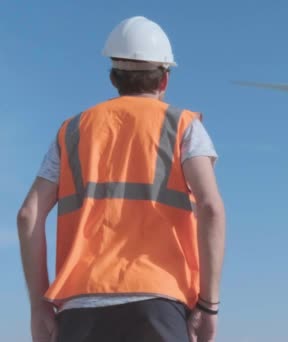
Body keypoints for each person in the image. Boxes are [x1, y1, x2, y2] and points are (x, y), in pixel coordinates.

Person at [17, 16, 226, 342]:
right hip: (159, 302)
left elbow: (28, 215)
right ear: (164, 80)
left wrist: (38, 307)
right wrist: (209, 307)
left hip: (80, 306)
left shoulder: (71, 132)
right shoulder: (183, 126)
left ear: (113, 77)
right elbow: (211, 208)